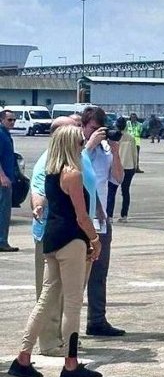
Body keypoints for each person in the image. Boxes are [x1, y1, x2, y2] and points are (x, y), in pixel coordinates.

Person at [7, 124, 103, 377]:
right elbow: (82, 216)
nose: (82, 146)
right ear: (72, 145)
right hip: (72, 240)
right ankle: (70, 364)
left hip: (51, 239)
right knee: (72, 303)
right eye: (80, 143)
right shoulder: (72, 174)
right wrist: (95, 239)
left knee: (46, 298)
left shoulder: (51, 173)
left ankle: (23, 357)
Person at [29, 116, 98, 356]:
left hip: (74, 233)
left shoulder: (79, 156)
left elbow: (91, 188)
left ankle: (33, 351)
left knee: (61, 293)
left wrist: (99, 212)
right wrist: (95, 239)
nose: (80, 131)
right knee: (61, 298)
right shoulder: (50, 162)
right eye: (75, 127)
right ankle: (53, 344)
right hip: (65, 234)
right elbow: (37, 190)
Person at [81, 107, 126, 337]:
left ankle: (96, 320)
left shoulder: (107, 150)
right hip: (79, 218)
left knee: (99, 272)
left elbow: (117, 178)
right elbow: (74, 168)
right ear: (83, 127)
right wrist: (89, 145)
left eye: (100, 129)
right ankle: (64, 326)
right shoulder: (77, 146)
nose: (96, 133)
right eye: (92, 129)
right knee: (75, 275)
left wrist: (116, 151)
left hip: (101, 220)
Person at [107, 117, 137, 223]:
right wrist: (135, 165)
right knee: (125, 191)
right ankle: (124, 215)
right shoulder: (131, 138)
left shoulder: (113, 137)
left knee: (111, 191)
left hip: (116, 166)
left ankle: (109, 215)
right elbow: (134, 153)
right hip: (129, 166)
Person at [0, 109, 18, 252]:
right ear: (2, 120)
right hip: (3, 181)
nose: (12, 122)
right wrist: (2, 176)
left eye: (14, 120)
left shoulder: (6, 134)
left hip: (8, 178)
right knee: (4, 211)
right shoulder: (1, 134)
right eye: (9, 120)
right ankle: (2, 241)